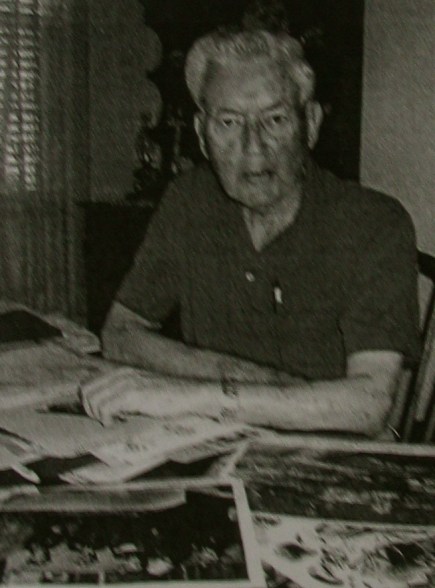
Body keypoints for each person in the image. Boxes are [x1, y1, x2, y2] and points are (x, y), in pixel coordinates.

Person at [82, 29, 420, 438]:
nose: (253, 146)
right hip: (214, 440)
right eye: (228, 122)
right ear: (202, 135)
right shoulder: (188, 201)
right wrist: (259, 385)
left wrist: (194, 395)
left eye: (275, 119)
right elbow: (120, 334)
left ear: (311, 124)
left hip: (330, 451)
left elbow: (369, 406)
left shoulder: (374, 223)